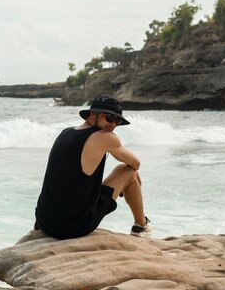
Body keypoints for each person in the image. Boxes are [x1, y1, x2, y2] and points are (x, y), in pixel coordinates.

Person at [35, 95, 152, 240]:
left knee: (128, 171)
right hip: (74, 226)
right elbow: (136, 164)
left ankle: (140, 223)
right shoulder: (105, 137)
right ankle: (141, 224)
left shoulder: (65, 132)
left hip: (44, 221)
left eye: (117, 120)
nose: (113, 124)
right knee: (129, 171)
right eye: (109, 118)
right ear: (92, 114)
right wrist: (128, 181)